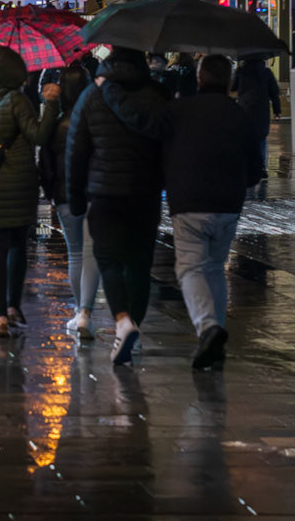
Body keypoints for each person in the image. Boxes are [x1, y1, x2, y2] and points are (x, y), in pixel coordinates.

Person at [107, 51, 262, 369]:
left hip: (189, 203)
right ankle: (215, 342)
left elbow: (142, 121)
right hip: (228, 206)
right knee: (215, 268)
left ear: (200, 78)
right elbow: (255, 171)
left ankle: (208, 328)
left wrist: (110, 91)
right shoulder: (239, 115)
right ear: (229, 81)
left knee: (190, 268)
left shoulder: (180, 110)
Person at [66, 46, 166, 365]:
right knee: (139, 263)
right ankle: (133, 327)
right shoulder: (158, 95)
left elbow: (76, 150)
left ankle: (122, 320)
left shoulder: (92, 96)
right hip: (145, 193)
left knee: (108, 259)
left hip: (104, 192)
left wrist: (75, 197)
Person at [0, 46, 58, 337]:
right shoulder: (17, 100)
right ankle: (14, 307)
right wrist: (51, 105)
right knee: (18, 246)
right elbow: (39, 135)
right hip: (19, 184)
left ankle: (0, 316)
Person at [40, 62, 102, 339]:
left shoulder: (56, 124)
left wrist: (50, 192)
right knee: (90, 252)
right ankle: (86, 312)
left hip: (64, 196)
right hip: (93, 194)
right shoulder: (95, 123)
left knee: (75, 253)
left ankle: (79, 311)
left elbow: (45, 163)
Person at [232, 54, 281, 190]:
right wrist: (277, 111)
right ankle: (262, 167)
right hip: (261, 110)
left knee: (245, 138)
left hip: (245, 109)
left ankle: (247, 165)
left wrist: (238, 73)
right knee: (261, 139)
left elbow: (233, 88)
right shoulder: (266, 72)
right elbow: (274, 93)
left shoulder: (241, 71)